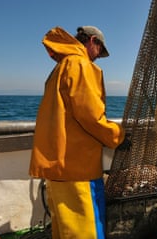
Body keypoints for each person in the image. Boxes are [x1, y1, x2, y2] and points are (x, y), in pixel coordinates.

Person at [29, 25, 126, 239]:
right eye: (100, 50)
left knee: (64, 231)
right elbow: (90, 116)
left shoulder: (61, 67)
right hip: (78, 169)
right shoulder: (80, 64)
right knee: (86, 231)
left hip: (56, 167)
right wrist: (118, 136)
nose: (99, 56)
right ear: (92, 41)